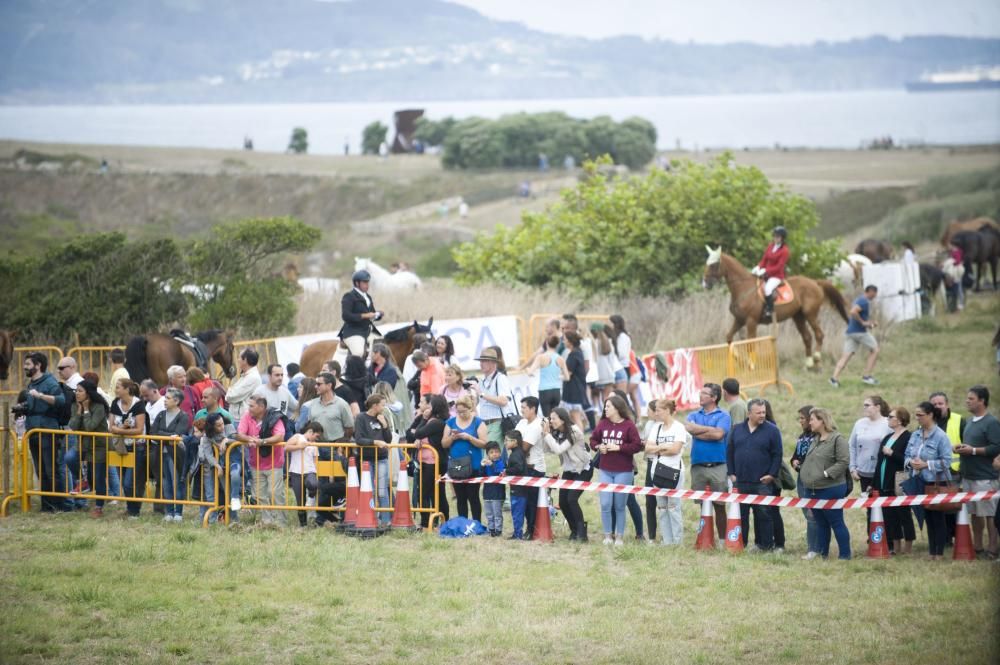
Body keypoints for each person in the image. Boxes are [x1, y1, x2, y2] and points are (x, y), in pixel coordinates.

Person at [727, 399, 782, 551]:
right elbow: (729, 451)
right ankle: (740, 544)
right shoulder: (737, 429)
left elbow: (777, 455)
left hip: (762, 482)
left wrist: (771, 475)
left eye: (764, 412)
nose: (762, 415)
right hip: (740, 481)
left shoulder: (772, 430)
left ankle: (765, 545)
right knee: (741, 515)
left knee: (764, 514)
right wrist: (731, 473)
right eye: (758, 413)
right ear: (749, 413)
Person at [954, 385, 1000, 559]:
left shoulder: (992, 423)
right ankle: (978, 546)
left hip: (985, 477)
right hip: (968, 476)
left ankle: (993, 548)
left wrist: (973, 451)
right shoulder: (969, 422)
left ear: (982, 401)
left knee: (989, 514)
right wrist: (961, 449)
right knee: (974, 513)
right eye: (967, 398)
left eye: (971, 398)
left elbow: (997, 447)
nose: (967, 401)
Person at [800, 408, 852, 560]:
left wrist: (826, 473)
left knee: (836, 521)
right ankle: (824, 554)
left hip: (831, 488)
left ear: (822, 420)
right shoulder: (815, 439)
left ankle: (844, 555)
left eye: (812, 419)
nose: (809, 422)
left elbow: (843, 462)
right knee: (821, 523)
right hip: (813, 489)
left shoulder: (837, 439)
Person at [904, 402, 954, 560]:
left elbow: (946, 462)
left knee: (937, 518)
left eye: (920, 415)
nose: (917, 418)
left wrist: (926, 464)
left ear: (931, 415)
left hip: (936, 483)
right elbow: (906, 455)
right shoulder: (915, 434)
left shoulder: (941, 436)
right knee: (927, 518)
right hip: (919, 482)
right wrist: (910, 463)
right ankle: (932, 552)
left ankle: (939, 553)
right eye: (916, 415)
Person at [591, 395, 642, 546]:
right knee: (605, 504)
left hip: (624, 471)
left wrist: (619, 447)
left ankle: (619, 536)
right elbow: (593, 440)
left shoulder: (629, 425)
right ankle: (608, 535)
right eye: (605, 406)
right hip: (605, 469)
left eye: (608, 407)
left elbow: (636, 445)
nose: (605, 409)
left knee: (620, 505)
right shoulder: (602, 424)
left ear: (617, 408)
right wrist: (599, 447)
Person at [22, 352, 70, 512]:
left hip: (48, 431)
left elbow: (61, 401)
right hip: (33, 431)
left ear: (38, 365)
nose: (24, 367)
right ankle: (46, 505)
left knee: (51, 470)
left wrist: (41, 396)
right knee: (40, 470)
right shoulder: (31, 384)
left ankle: (58, 505)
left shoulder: (50, 382)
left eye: (28, 364)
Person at [685, 383, 732, 539]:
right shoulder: (693, 414)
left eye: (704, 393)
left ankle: (722, 540)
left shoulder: (724, 415)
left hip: (718, 466)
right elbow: (689, 428)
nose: (700, 395)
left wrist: (699, 431)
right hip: (698, 466)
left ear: (714, 398)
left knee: (719, 505)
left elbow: (719, 435)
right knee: (703, 504)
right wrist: (710, 431)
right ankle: (706, 538)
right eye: (701, 392)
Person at [236, 396, 287, 526]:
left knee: (275, 493)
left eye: (252, 406)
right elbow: (239, 434)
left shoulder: (274, 417)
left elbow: (280, 435)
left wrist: (262, 442)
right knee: (260, 494)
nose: (249, 408)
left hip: (274, 462)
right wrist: (250, 439)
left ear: (262, 407)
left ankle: (280, 522)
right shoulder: (247, 416)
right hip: (256, 463)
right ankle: (267, 521)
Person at [644, 399, 688, 546]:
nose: (656, 413)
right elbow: (647, 448)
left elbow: (675, 450)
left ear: (668, 410)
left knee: (674, 506)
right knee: (662, 507)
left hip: (674, 470)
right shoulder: (655, 428)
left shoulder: (679, 428)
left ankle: (677, 541)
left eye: (658, 410)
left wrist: (658, 448)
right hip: (656, 470)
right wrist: (663, 447)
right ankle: (666, 540)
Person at [542, 407, 591, 541]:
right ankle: (574, 530)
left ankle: (582, 532)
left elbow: (558, 449)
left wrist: (547, 435)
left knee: (572, 499)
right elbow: (547, 449)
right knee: (563, 502)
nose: (551, 421)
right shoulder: (557, 432)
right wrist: (544, 433)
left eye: (554, 419)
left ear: (563, 419)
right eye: (550, 419)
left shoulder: (574, 431)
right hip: (569, 470)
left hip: (583, 469)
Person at [848, 395, 892, 533]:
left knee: (885, 508)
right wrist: (852, 467)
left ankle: (889, 541)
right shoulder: (859, 423)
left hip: (883, 473)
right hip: (864, 473)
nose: (864, 408)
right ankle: (872, 538)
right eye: (864, 405)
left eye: (867, 405)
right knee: (870, 507)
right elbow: (852, 446)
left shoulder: (888, 423)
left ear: (878, 407)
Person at [875, 406, 915, 555]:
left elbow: (908, 460)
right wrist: (875, 484)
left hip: (899, 481)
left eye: (891, 417)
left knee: (904, 514)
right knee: (890, 516)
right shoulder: (887, 437)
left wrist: (892, 453)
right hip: (884, 482)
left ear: (899, 420)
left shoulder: (908, 437)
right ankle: (896, 547)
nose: (888, 419)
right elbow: (879, 462)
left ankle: (908, 547)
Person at [66, 380, 109, 517]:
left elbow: (90, 426)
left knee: (97, 478)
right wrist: (79, 411)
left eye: (80, 391)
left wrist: (85, 410)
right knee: (70, 457)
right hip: (82, 444)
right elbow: (73, 425)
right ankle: (81, 480)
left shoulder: (99, 406)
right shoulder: (75, 405)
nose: (76, 393)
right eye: (76, 391)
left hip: (98, 446)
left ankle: (99, 507)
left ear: (88, 393)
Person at [406, 394, 450, 528]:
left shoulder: (437, 422)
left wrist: (423, 420)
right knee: (429, 492)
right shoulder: (430, 420)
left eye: (430, 406)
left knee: (433, 493)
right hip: (424, 461)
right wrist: (420, 425)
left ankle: (433, 521)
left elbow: (418, 433)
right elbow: (410, 433)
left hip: (434, 462)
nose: (427, 409)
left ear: (435, 407)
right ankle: (431, 520)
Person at [442, 394, 487, 522]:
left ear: (470, 408)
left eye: (464, 411)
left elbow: (484, 443)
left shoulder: (478, 422)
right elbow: (443, 443)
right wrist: (452, 438)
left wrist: (469, 438)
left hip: (474, 465)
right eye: (458, 412)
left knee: (473, 496)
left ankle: (476, 523)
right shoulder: (450, 422)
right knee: (460, 497)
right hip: (456, 465)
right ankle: (462, 523)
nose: (461, 414)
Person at [148, 386, 190, 522]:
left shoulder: (183, 416)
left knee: (176, 482)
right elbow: (153, 433)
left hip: (175, 455)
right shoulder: (161, 414)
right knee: (166, 483)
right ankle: (169, 512)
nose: (164, 400)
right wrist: (168, 437)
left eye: (167, 398)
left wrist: (164, 435)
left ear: (176, 401)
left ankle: (178, 512)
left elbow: (178, 433)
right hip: (161, 453)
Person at [109, 379, 148, 518]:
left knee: (129, 482)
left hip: (136, 447)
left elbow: (139, 429)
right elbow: (110, 427)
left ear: (127, 389)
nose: (116, 390)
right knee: (124, 480)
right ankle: (131, 508)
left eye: (118, 387)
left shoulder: (138, 404)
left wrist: (119, 430)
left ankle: (134, 511)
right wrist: (122, 429)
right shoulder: (115, 403)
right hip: (120, 447)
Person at [353, 394, 393, 526]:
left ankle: (385, 520)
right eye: (382, 404)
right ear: (375, 405)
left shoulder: (382, 418)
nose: (384, 407)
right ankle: (370, 517)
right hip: (366, 459)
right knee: (368, 489)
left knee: (382, 490)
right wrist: (374, 442)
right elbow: (359, 439)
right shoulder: (361, 418)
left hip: (381, 458)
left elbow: (388, 440)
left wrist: (385, 425)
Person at [830, 284, 880, 387]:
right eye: (875, 294)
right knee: (875, 350)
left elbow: (856, 313)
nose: (875, 296)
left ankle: (834, 379)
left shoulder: (858, 299)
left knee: (846, 355)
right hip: (859, 332)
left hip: (850, 332)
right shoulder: (864, 301)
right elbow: (853, 312)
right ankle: (867, 376)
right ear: (870, 292)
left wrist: (869, 323)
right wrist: (863, 323)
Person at [790, 404, 820, 557]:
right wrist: (794, 461)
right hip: (801, 479)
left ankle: (814, 549)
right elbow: (796, 455)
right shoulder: (802, 437)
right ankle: (812, 547)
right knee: (807, 513)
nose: (800, 421)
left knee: (813, 514)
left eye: (803, 418)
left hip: (813, 480)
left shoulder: (818, 438)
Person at [189, 413, 229, 524]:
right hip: (209, 467)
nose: (222, 427)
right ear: (212, 427)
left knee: (226, 493)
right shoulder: (206, 437)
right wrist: (217, 466)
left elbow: (234, 437)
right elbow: (208, 454)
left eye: (222, 424)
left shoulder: (228, 427)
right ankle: (211, 520)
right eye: (218, 425)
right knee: (209, 495)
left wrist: (226, 440)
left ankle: (227, 517)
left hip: (227, 466)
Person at [515, 396, 546, 537]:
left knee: (532, 502)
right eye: (521, 408)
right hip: (522, 466)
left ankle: (532, 530)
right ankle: (525, 529)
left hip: (535, 468)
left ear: (533, 409)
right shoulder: (521, 422)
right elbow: (511, 440)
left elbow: (524, 448)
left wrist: (515, 445)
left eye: (524, 408)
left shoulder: (538, 424)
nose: (521, 411)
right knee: (522, 500)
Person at [339, 269, 383, 358]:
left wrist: (377, 315)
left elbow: (371, 314)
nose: (367, 285)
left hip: (368, 331)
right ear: (357, 283)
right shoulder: (349, 296)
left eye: (368, 282)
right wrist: (364, 316)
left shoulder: (368, 297)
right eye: (365, 282)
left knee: (383, 347)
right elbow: (346, 316)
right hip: (353, 332)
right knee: (358, 353)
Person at [475, 348, 513, 451]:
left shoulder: (501, 378)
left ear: (493, 363)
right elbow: (476, 403)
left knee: (491, 457)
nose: (481, 364)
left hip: (497, 423)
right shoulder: (482, 381)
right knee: (490, 458)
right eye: (480, 361)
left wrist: (481, 394)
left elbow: (504, 401)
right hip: (484, 424)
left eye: (484, 361)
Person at [750, 226, 790, 321]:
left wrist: (766, 271)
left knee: (767, 288)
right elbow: (764, 259)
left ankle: (770, 310)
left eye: (778, 237)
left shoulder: (785, 251)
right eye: (775, 236)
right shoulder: (770, 246)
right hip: (766, 273)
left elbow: (779, 266)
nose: (775, 238)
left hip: (776, 276)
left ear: (782, 238)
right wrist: (758, 267)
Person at [286, 421, 321, 527]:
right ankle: (303, 525)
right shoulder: (298, 437)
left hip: (310, 471)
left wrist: (316, 470)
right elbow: (286, 447)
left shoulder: (315, 445)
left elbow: (316, 460)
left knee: (313, 484)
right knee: (300, 501)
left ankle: (311, 499)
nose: (317, 439)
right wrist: (299, 447)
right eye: (316, 436)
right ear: (310, 431)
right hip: (296, 472)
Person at [526, 335, 569, 417]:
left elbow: (530, 372)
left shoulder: (541, 357)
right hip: (556, 391)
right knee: (555, 418)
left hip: (545, 391)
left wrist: (528, 370)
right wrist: (558, 377)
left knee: (547, 418)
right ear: (557, 345)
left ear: (546, 343)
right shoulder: (560, 359)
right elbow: (567, 377)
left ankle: (550, 430)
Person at [559, 331, 589, 432]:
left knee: (575, 417)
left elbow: (569, 373)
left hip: (574, 389)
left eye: (565, 340)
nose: (563, 342)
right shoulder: (577, 352)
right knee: (573, 416)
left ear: (570, 342)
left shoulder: (574, 354)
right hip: (574, 388)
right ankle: (577, 440)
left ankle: (580, 442)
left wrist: (559, 373)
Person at [505, 430, 531, 539]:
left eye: (506, 440)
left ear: (514, 441)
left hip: (518, 490)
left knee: (517, 512)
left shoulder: (515, 455)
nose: (505, 443)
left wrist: (507, 471)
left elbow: (518, 468)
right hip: (520, 489)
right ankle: (517, 532)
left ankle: (517, 534)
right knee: (518, 512)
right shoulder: (519, 452)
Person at [591, 323, 625, 401]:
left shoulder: (593, 343)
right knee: (608, 398)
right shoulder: (608, 343)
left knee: (600, 397)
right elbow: (611, 361)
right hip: (609, 374)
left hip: (598, 375)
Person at [227, 348, 262, 422]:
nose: (238, 360)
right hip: (239, 419)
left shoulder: (252, 377)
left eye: (239, 357)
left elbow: (230, 397)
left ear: (245, 360)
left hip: (242, 420)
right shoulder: (246, 375)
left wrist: (229, 390)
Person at [481, 441, 506, 537]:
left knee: (497, 514)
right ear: (487, 454)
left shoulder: (501, 463)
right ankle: (491, 529)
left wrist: (491, 465)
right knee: (489, 513)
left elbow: (498, 472)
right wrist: (482, 466)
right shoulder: (486, 463)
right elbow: (481, 475)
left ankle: (498, 530)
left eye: (496, 452)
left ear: (500, 453)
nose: (494, 454)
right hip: (487, 493)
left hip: (498, 493)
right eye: (491, 452)